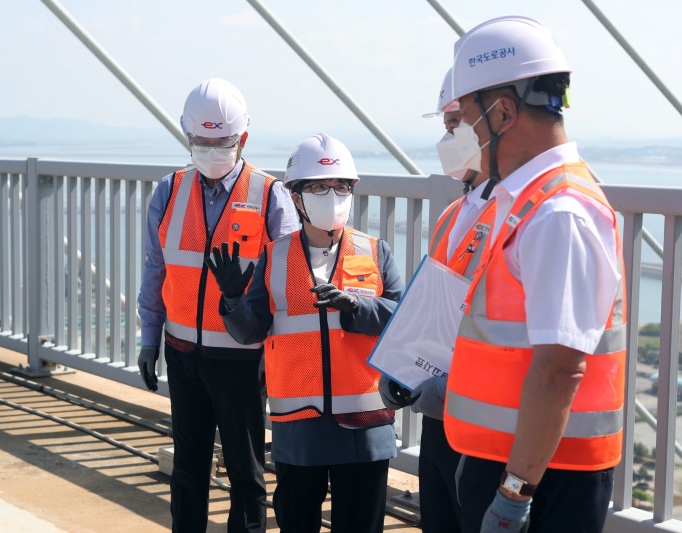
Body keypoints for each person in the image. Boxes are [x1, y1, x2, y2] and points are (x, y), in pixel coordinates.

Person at [441, 17, 627, 533]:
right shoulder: (526, 198)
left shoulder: (559, 212)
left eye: (465, 117)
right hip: (511, 457)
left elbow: (558, 369)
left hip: (543, 476)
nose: (460, 133)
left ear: (502, 112)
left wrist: (514, 494)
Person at [207, 133, 403, 533]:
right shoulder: (274, 256)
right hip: (299, 429)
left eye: (341, 186)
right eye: (317, 187)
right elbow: (250, 332)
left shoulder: (375, 251)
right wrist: (230, 299)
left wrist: (356, 307)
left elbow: (404, 321)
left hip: (364, 428)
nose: (332, 195)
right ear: (296, 197)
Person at [136, 78, 300, 533]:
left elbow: (286, 288)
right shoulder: (169, 191)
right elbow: (156, 269)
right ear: (187, 138)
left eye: (221, 142)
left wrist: (276, 358)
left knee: (246, 474)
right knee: (187, 471)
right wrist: (149, 339)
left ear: (242, 139)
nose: (210, 151)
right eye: (200, 142)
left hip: (242, 359)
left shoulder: (270, 196)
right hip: (183, 353)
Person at [378, 67, 495, 533]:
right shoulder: (454, 214)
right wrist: (399, 369)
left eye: (456, 120)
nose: (448, 133)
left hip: (482, 420)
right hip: (439, 419)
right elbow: (432, 310)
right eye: (445, 123)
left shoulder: (515, 212)